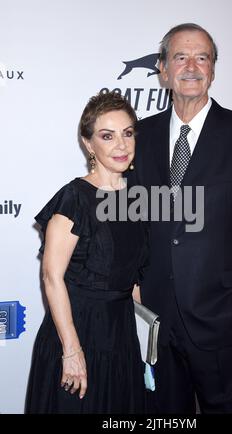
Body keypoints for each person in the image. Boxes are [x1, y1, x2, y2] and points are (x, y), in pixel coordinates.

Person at [132, 23, 232, 413]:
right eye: (180, 57)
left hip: (226, 319)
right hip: (156, 322)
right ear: (163, 69)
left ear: (213, 70)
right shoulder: (139, 137)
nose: (192, 66)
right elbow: (131, 223)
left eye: (203, 57)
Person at [25, 91, 146, 413]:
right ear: (89, 144)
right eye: (108, 136)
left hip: (121, 334)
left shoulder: (140, 196)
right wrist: (72, 351)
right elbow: (52, 276)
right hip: (78, 331)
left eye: (128, 133)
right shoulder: (74, 197)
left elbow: (133, 277)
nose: (121, 145)